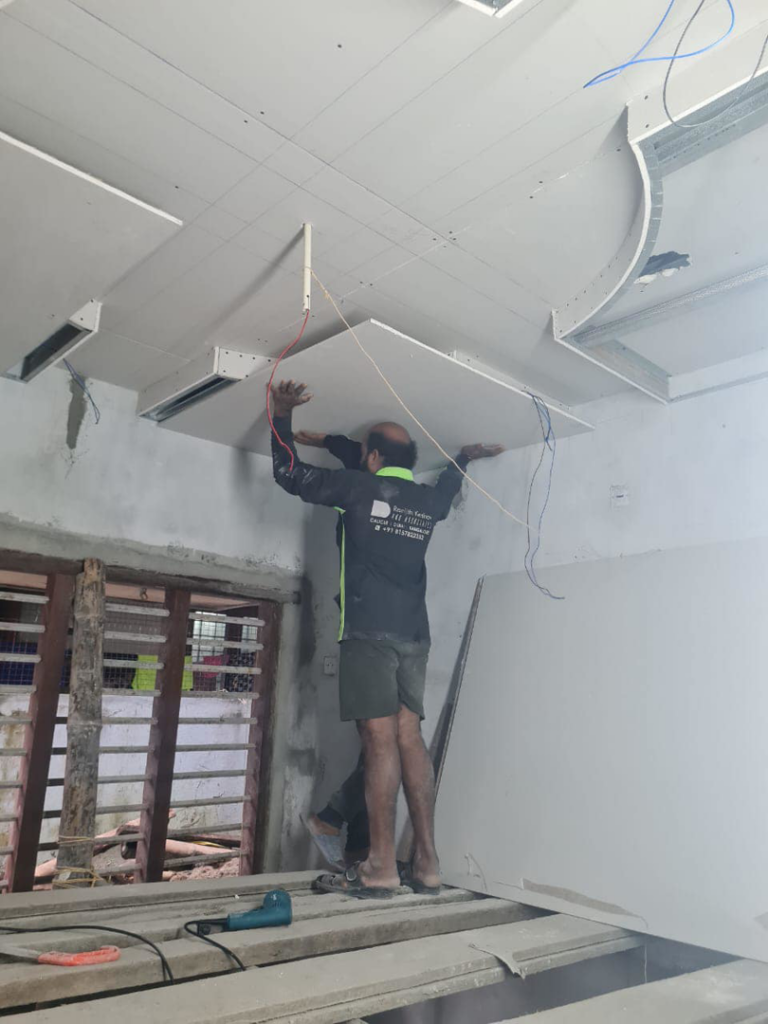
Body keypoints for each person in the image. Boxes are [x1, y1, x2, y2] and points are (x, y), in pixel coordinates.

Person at [270, 379, 503, 898]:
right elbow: (448, 489)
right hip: (414, 639)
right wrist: (463, 456)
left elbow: (287, 473)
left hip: (368, 636)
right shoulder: (425, 502)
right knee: (408, 738)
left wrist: (280, 416)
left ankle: (378, 866)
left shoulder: (355, 488)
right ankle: (426, 863)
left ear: (371, 459)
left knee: (377, 744)